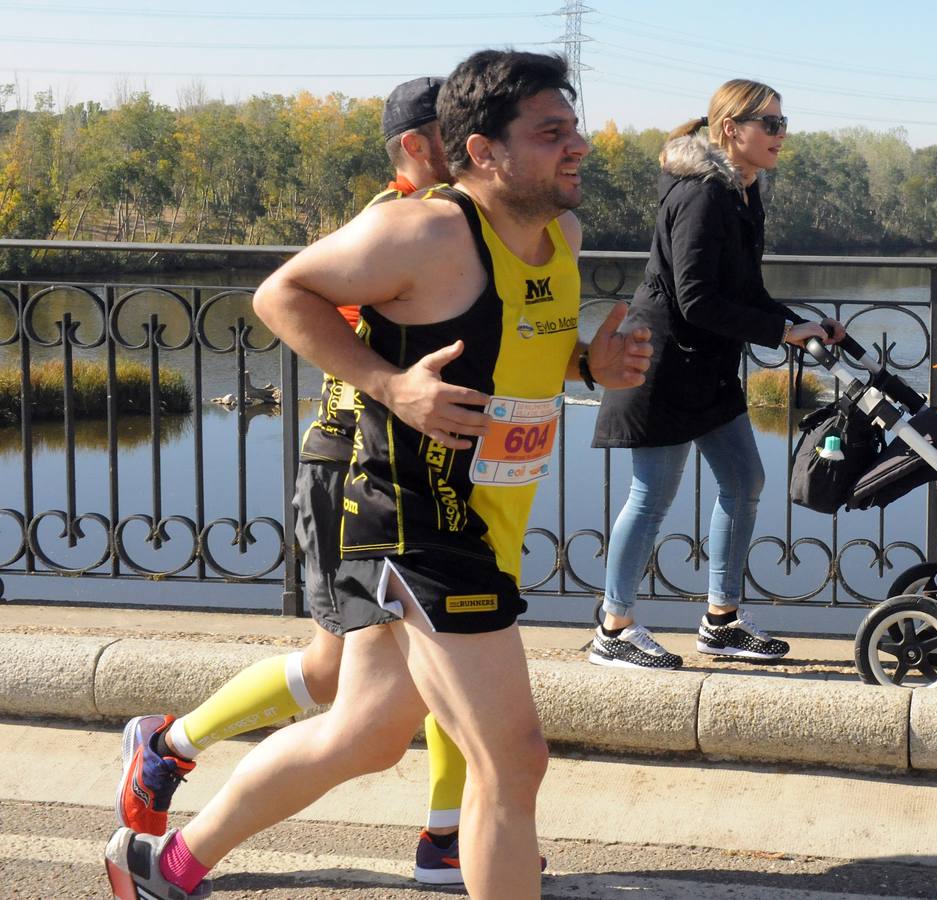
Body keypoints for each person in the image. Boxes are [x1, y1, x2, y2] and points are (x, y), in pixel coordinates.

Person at [105, 50, 650, 900]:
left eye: (573, 128)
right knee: (512, 761)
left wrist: (591, 364)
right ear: (482, 151)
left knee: (360, 736)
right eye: (551, 132)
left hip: (487, 519)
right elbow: (282, 295)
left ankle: (163, 863)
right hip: (416, 516)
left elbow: (513, 350)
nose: (576, 145)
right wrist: (391, 385)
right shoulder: (425, 231)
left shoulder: (560, 237)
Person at [111, 73, 477, 887]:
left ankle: (169, 747)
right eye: (465, 132)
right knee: (407, 662)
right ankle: (443, 836)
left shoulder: (464, 228)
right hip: (354, 470)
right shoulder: (397, 225)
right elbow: (286, 299)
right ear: (418, 147)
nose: (484, 143)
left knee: (360, 668)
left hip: (411, 473)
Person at [589, 79, 843, 671]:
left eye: (784, 123)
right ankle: (613, 627)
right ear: (732, 130)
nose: (783, 135)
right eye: (772, 125)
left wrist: (801, 321)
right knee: (651, 495)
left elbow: (745, 291)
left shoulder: (742, 192)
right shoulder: (702, 194)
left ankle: (721, 621)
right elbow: (697, 299)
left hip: (707, 368)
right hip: (662, 362)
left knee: (744, 480)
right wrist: (781, 333)